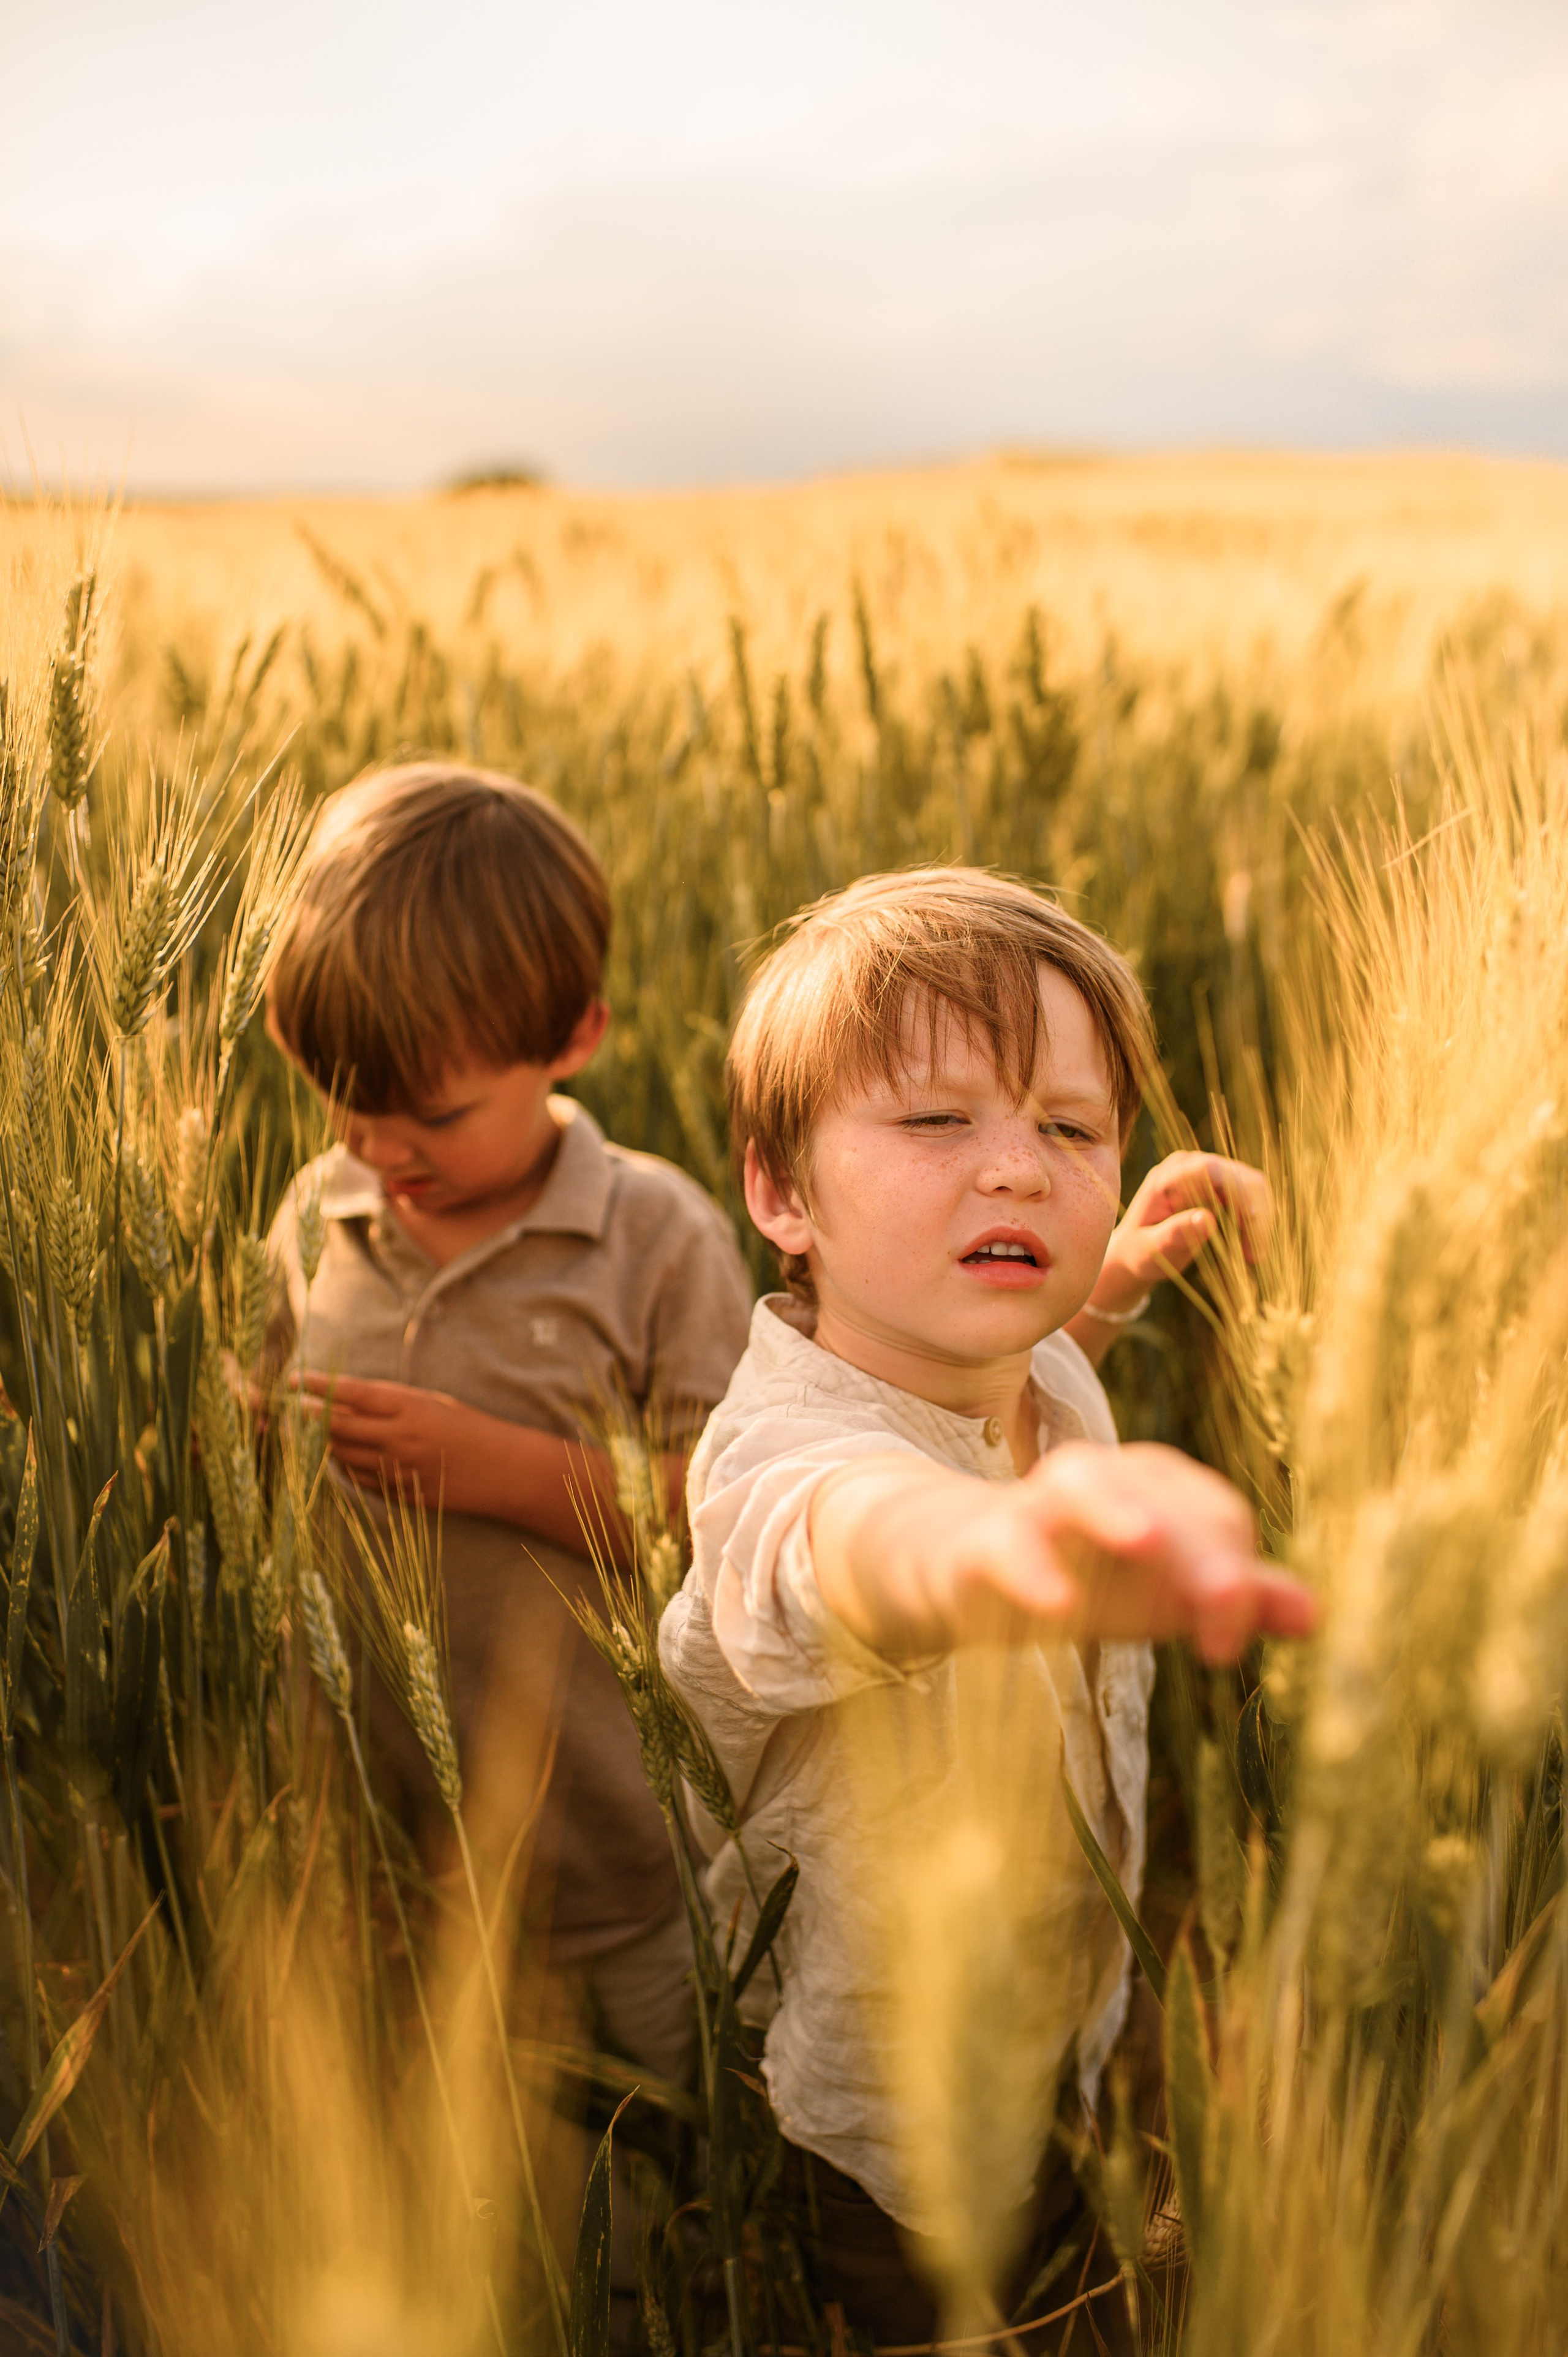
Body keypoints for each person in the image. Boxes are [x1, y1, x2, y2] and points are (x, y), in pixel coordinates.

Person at [658, 867, 1314, 2340]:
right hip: (879, 2128)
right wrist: (997, 1551)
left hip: (1055, 2031)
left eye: (1070, 1129)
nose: (1016, 1169)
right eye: (937, 1119)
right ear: (779, 1193)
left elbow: (1046, 1327)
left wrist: (1122, 1270)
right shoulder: (786, 1454)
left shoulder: (1021, 1357)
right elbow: (858, 1538)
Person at [263, 760, 753, 2095]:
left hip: (612, 1841)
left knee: (658, 2128)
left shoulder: (655, 1239)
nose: (382, 1151)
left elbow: (732, 1503)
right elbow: (256, 1432)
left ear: (576, 1036)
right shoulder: (320, 1215)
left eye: (431, 1113)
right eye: (344, 1105)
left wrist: (491, 1468)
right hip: (390, 1836)